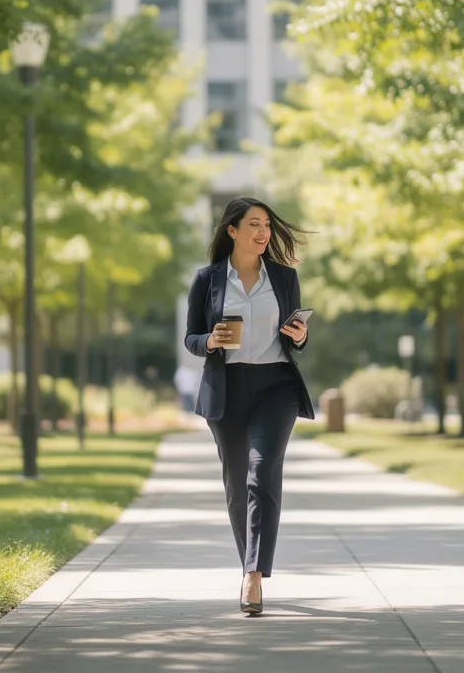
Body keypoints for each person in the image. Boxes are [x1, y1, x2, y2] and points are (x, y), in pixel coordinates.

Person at [183, 196, 316, 616]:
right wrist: (210, 341)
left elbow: (296, 336)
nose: (263, 233)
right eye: (254, 225)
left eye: (267, 226)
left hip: (276, 385)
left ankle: (253, 576)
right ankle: (249, 565)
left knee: (262, 472)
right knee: (238, 482)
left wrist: (298, 335)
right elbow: (191, 337)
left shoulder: (283, 276)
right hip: (226, 387)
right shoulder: (207, 280)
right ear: (232, 230)